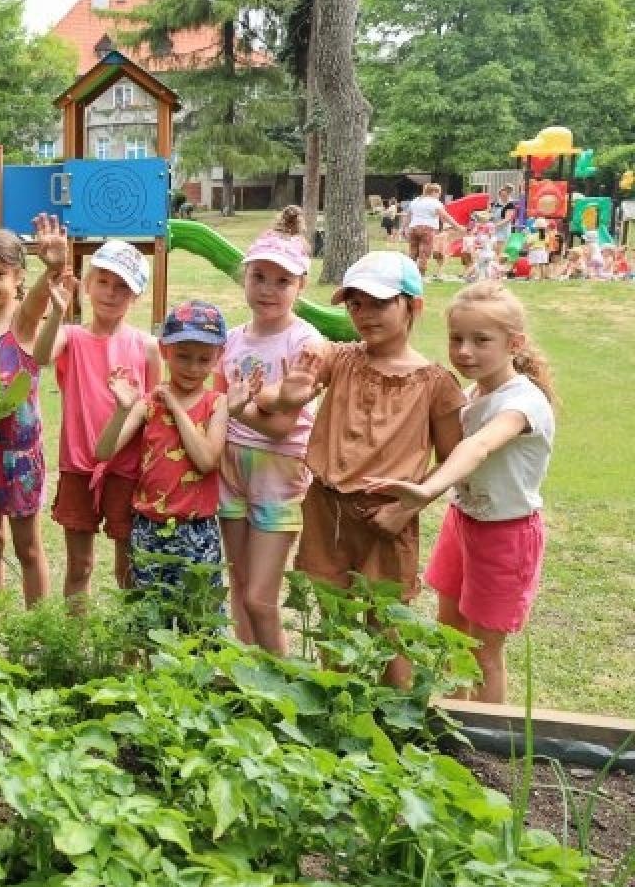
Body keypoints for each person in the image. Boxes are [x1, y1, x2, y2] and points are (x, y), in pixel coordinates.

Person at [261, 251, 463, 687]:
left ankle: (398, 717)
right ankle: (335, 708)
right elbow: (286, 389)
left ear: (413, 305)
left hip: (386, 517)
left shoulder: (435, 383)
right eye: (354, 304)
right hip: (327, 508)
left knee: (387, 624)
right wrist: (284, 393)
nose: (364, 314)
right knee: (333, 621)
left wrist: (406, 510)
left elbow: (452, 459)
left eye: (379, 302)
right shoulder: (341, 359)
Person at [364, 282, 555, 704]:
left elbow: (478, 446)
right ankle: (457, 719)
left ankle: (484, 747)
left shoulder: (524, 403)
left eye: (481, 340)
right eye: (456, 339)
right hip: (463, 523)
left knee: (484, 653)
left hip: (506, 536)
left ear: (514, 344)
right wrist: (413, 497)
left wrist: (427, 490)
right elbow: (452, 457)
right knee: (452, 634)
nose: (464, 351)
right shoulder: (473, 394)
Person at [216, 215, 322, 655]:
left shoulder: (306, 343)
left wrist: (239, 409)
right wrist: (233, 410)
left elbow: (281, 428)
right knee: (239, 586)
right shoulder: (232, 339)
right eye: (259, 277)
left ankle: (279, 686)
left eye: (282, 281)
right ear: (245, 277)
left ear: (300, 287)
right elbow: (218, 403)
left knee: (261, 598)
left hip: (278, 473)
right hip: (231, 466)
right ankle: (248, 676)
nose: (268, 289)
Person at [0, 226, 71, 607]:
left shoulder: (21, 323)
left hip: (18, 459)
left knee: (27, 548)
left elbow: (39, 299)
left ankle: (37, 631)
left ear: (17, 277)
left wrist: (52, 268)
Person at [95, 300, 230, 608]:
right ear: (165, 350)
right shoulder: (148, 403)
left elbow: (207, 461)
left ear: (218, 357)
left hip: (196, 529)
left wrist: (177, 408)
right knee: (149, 616)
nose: (193, 368)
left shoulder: (216, 403)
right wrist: (122, 410)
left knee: (199, 618)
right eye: (183, 357)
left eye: (203, 359)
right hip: (149, 527)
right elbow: (103, 452)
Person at [50, 234, 158, 604]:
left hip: (126, 472)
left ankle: (130, 651)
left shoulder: (146, 347)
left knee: (128, 567)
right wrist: (55, 312)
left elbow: (153, 412)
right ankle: (73, 649)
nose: (111, 293)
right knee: (79, 565)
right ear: (88, 283)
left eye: (122, 288)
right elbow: (42, 354)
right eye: (103, 282)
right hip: (78, 468)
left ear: (136, 296)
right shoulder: (70, 336)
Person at [406, 183, 462, 275]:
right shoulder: (434, 202)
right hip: (427, 228)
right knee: (424, 252)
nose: (439, 195)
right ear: (433, 192)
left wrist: (404, 228)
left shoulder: (416, 200)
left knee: (413, 251)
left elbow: (408, 215)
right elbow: (445, 216)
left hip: (413, 228)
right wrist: (457, 226)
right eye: (439, 193)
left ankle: (409, 273)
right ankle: (421, 274)